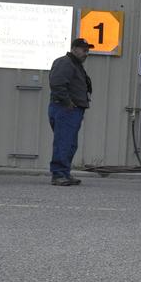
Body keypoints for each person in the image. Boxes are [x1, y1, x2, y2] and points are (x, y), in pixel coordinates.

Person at [47, 37, 93, 186]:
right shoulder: (64, 62)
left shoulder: (75, 64)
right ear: (74, 49)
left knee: (70, 144)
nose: (86, 53)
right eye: (83, 49)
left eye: (87, 50)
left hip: (71, 110)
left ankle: (64, 173)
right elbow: (57, 83)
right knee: (64, 142)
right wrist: (68, 103)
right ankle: (59, 174)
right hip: (64, 109)